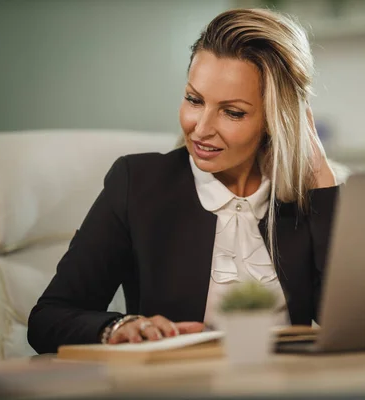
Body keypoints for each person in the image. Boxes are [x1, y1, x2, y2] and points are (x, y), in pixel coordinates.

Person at [27, 8, 341, 354]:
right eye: (194, 99)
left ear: (274, 120)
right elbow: (47, 320)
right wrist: (120, 326)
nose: (200, 128)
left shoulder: (301, 198)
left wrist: (322, 184)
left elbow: (345, 317)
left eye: (232, 112)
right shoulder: (138, 184)